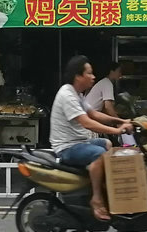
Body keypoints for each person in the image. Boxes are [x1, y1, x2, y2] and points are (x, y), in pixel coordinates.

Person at [49, 55, 132, 221]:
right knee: (100, 154)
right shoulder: (67, 94)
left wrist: (121, 121)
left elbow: (94, 114)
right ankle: (96, 199)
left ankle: (108, 193)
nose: (93, 77)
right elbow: (87, 122)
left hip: (79, 142)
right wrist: (117, 131)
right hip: (67, 148)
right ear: (78, 76)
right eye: (89, 73)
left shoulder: (77, 94)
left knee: (107, 145)